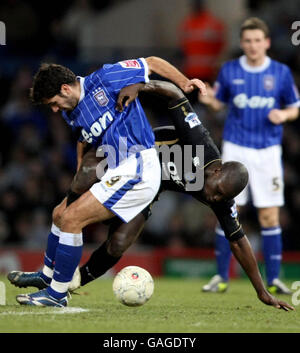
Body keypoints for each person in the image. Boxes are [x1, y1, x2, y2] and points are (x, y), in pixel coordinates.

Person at [9, 80, 294, 311]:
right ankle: (54, 254)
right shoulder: (201, 145)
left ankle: (70, 283)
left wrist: (261, 292)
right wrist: (140, 87)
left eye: (221, 199)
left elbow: (239, 242)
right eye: (216, 191)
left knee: (118, 243)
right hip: (128, 154)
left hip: (149, 187)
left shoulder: (220, 197)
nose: (214, 198)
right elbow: (174, 94)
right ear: (216, 170)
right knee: (82, 183)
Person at [10, 57, 206, 307]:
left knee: (72, 219)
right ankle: (47, 277)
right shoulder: (72, 113)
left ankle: (56, 295)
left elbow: (152, 62)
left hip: (139, 167)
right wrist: (80, 170)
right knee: (60, 213)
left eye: (54, 103)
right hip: (117, 169)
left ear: (65, 89)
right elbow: (84, 138)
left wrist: (184, 82)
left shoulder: (106, 78)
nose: (55, 110)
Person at [199, 17, 300, 294]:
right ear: (242, 44)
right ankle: (221, 278)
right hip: (236, 150)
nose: (253, 45)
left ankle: (275, 278)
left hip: (268, 151)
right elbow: (219, 102)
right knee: (228, 211)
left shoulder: (280, 73)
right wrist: (206, 97)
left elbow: (295, 107)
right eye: (248, 41)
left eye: (258, 40)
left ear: (266, 42)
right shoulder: (230, 70)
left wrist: (284, 114)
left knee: (270, 216)